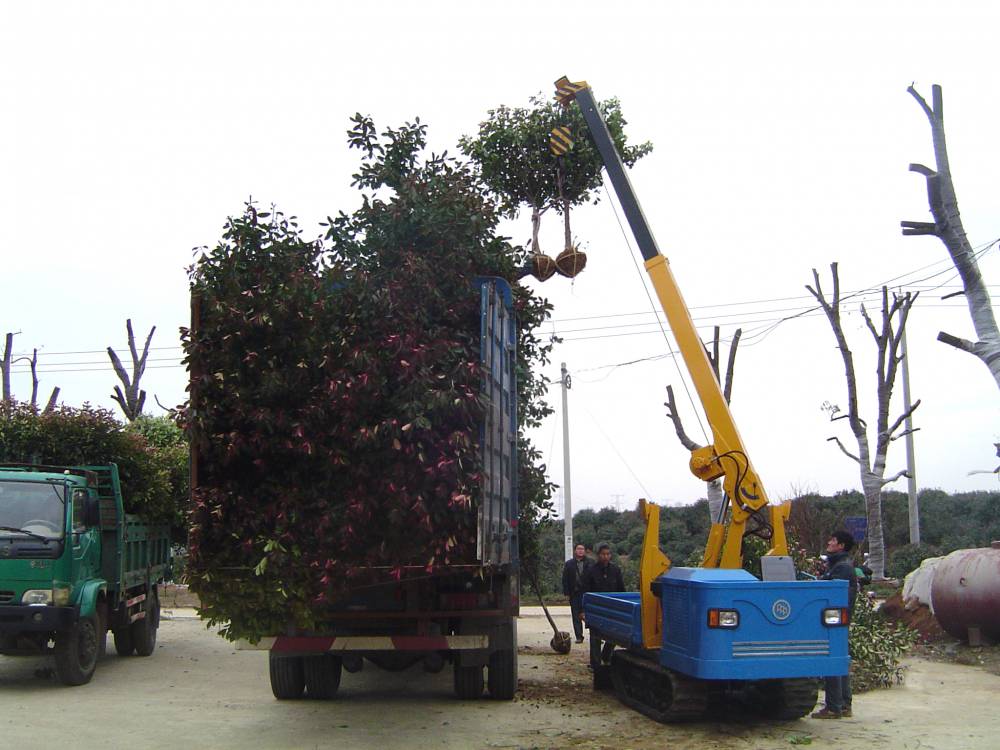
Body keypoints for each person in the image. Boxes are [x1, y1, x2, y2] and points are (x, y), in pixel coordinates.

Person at [812, 530, 859, 720]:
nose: (829, 542)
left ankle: (834, 707)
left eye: (833, 540)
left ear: (841, 546)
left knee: (832, 660)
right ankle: (844, 704)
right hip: (839, 620)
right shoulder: (839, 565)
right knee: (840, 660)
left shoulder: (842, 568)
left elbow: (828, 590)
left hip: (834, 621)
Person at [581, 542, 625, 670]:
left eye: (608, 554)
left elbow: (621, 589)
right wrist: (582, 610)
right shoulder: (590, 571)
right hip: (596, 608)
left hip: (612, 607)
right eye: (603, 554)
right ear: (598, 555)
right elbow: (585, 591)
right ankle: (595, 665)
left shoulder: (615, 570)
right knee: (595, 635)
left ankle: (606, 656)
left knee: (613, 635)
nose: (605, 557)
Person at [562, 543, 591, 644]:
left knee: (589, 615)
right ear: (575, 551)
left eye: (582, 549)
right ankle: (579, 636)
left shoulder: (590, 563)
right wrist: (566, 593)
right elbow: (565, 579)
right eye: (578, 549)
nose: (580, 551)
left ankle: (595, 636)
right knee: (575, 615)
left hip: (587, 593)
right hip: (574, 593)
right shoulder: (569, 564)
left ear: (585, 551)